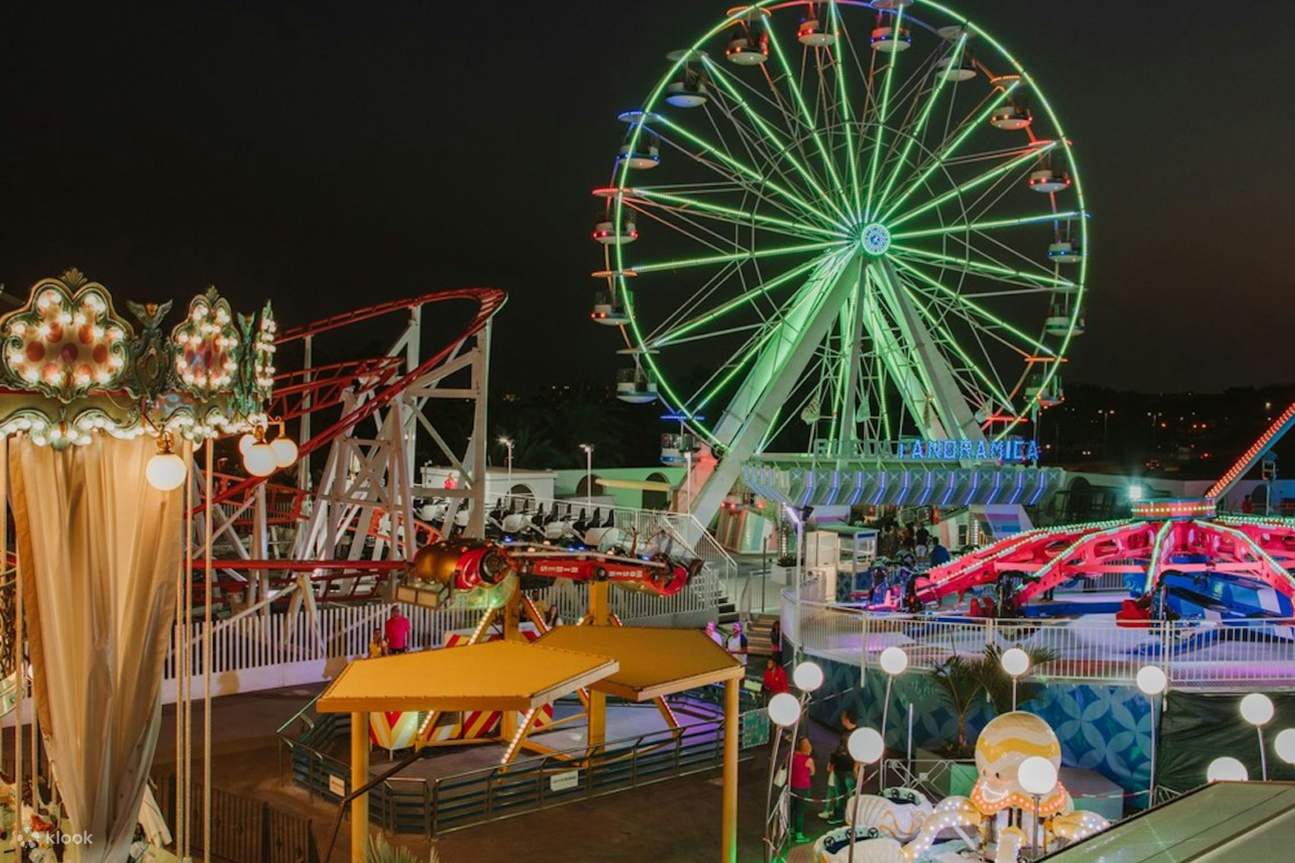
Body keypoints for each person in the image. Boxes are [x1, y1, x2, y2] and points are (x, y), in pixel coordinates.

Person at [822, 709, 858, 822]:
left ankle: (851, 816)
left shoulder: (858, 734)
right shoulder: (844, 731)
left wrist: (856, 767)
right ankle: (839, 815)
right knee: (839, 794)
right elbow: (839, 748)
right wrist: (832, 761)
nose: (841, 719)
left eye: (843, 717)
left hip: (849, 769)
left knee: (851, 794)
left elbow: (859, 752)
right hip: (839, 767)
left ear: (847, 719)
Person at [790, 736, 815, 843]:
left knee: (792, 809)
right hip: (803, 788)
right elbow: (812, 772)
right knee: (800, 812)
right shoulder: (809, 760)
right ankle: (799, 834)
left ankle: (790, 828)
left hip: (792, 787)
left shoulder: (792, 755)